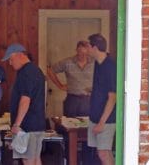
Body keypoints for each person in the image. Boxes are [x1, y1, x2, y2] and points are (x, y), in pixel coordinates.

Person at [1, 43, 46, 165]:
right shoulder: (36, 70)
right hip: (37, 124)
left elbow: (25, 99)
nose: (10, 63)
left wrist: (17, 124)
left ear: (20, 55)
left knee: (28, 160)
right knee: (36, 159)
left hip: (26, 126)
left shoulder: (26, 72)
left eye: (11, 59)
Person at [87, 33, 116, 165]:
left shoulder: (109, 66)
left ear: (95, 47)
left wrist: (102, 122)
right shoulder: (98, 64)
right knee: (105, 152)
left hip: (106, 119)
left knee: (103, 153)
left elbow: (112, 97)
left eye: (88, 46)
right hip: (95, 116)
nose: (86, 49)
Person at [47, 40, 94, 117]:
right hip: (72, 100)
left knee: (87, 126)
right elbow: (50, 70)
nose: (83, 55)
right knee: (69, 125)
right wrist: (60, 85)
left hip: (89, 100)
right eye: (80, 52)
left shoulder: (94, 62)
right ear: (76, 50)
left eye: (85, 53)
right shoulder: (67, 62)